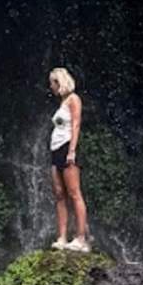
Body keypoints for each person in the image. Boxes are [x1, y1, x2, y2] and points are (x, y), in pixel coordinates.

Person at [47, 67, 90, 252]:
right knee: (59, 194)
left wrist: (72, 151)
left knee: (74, 193)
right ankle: (62, 237)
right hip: (56, 150)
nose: (50, 87)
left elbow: (76, 124)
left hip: (67, 148)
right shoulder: (62, 102)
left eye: (52, 83)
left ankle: (80, 238)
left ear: (60, 82)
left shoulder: (74, 99)